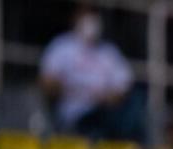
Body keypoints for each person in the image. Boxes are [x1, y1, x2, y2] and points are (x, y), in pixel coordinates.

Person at [39, 4, 142, 140]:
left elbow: (123, 88)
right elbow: (46, 84)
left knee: (136, 100)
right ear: (75, 17)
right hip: (75, 114)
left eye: (94, 14)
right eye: (87, 14)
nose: (91, 20)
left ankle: (136, 148)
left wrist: (104, 97)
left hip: (104, 112)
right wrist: (77, 90)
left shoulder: (108, 51)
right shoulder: (61, 46)